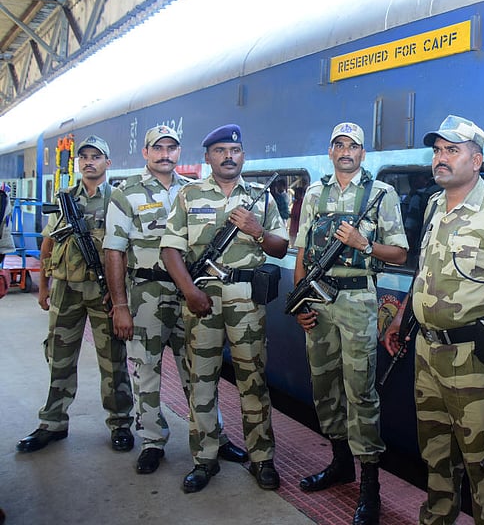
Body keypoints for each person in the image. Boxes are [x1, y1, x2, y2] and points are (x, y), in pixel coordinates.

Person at [385, 115, 484, 525]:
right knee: (435, 458)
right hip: (427, 355)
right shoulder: (436, 204)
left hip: (475, 364)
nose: (440, 158)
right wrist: (403, 316)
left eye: (452, 150)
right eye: (437, 150)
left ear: (477, 161)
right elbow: (425, 271)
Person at [103, 124, 249, 474]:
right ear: (146, 153)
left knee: (200, 371)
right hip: (147, 294)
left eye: (171, 147)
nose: (165, 154)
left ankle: (214, 437)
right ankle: (153, 441)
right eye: (158, 148)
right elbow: (114, 251)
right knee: (146, 370)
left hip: (192, 294)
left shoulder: (193, 191)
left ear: (179, 152)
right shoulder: (127, 193)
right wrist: (120, 305)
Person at [160, 124, 288, 493]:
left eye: (234, 150)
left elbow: (280, 248)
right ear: (207, 158)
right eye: (220, 151)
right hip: (201, 301)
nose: (228, 156)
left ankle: (261, 459)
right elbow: (170, 249)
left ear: (243, 155)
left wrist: (257, 230)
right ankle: (205, 459)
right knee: (201, 381)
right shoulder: (189, 194)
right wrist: (189, 292)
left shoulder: (261, 197)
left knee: (254, 381)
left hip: (247, 300)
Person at [294, 122, 408, 525]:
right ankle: (339, 462)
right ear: (330, 152)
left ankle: (369, 487)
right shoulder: (314, 194)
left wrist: (364, 245)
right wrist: (299, 302)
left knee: (360, 391)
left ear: (363, 153)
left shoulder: (381, 195)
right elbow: (303, 253)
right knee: (324, 384)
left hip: (359, 299)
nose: (345, 151)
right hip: (319, 302)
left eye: (353, 146)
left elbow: (398, 253)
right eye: (338, 145)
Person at [16, 135, 135, 453]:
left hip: (102, 292)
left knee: (113, 359)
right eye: (84, 157)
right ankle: (52, 423)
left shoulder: (118, 200)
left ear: (107, 163)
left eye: (96, 156)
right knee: (59, 356)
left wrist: (121, 297)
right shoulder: (65, 197)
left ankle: (121, 422)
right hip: (66, 290)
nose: (89, 161)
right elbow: (48, 243)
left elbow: (126, 251)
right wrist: (43, 286)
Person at [288, 168, 311, 245]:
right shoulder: (295, 202)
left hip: (299, 230)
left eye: (297, 193)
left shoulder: (302, 203)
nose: (295, 195)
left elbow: (301, 215)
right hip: (293, 229)